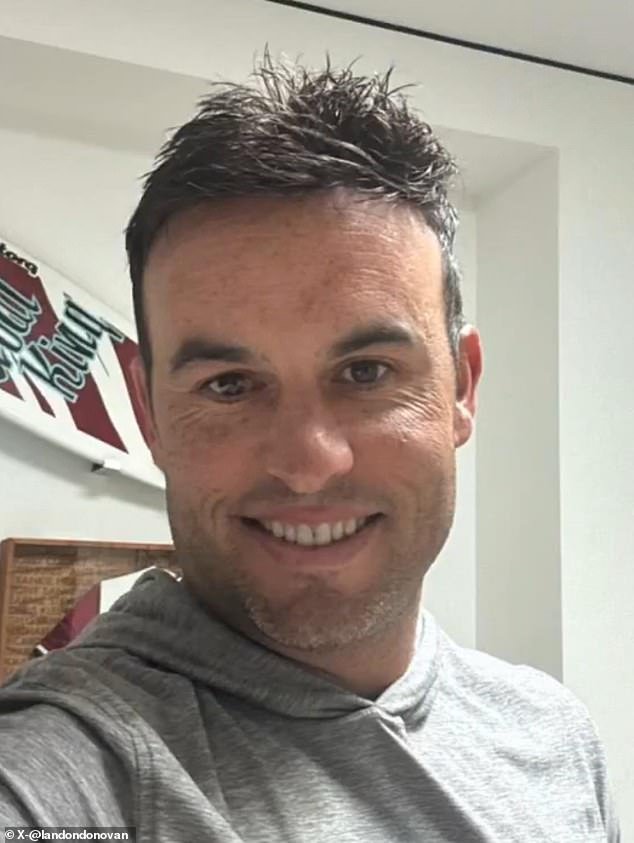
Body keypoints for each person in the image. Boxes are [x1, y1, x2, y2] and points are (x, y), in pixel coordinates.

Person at [0, 57, 620, 842]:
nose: (308, 462)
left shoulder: (554, 738)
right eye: (230, 385)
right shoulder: (62, 771)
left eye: (366, 372)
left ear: (462, 386)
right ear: (151, 412)